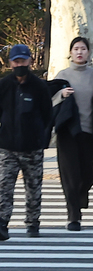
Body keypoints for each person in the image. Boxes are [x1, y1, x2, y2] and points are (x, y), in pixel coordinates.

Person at [0, 44, 51, 240]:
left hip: (33, 146)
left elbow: (48, 115)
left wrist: (40, 138)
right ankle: (2, 222)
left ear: (30, 61)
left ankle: (32, 221)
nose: (20, 64)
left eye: (23, 60)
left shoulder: (39, 86)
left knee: (33, 186)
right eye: (16, 61)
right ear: (11, 63)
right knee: (4, 187)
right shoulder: (4, 85)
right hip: (7, 146)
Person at [51, 37, 93, 232]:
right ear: (70, 52)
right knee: (70, 175)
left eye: (83, 49)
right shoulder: (63, 75)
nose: (79, 52)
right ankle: (73, 216)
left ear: (89, 52)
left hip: (89, 131)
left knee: (88, 174)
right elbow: (50, 100)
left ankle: (81, 196)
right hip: (68, 131)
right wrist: (60, 95)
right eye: (76, 49)